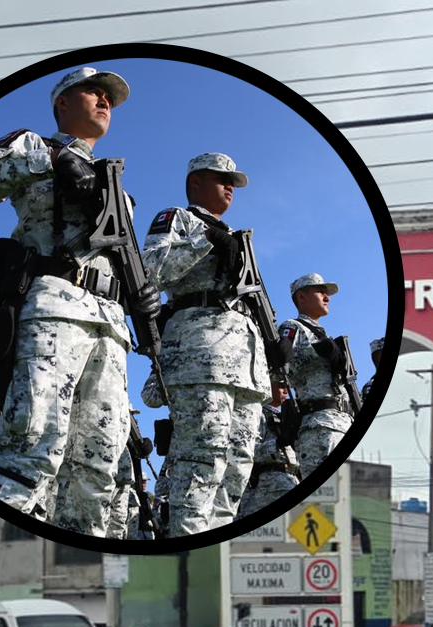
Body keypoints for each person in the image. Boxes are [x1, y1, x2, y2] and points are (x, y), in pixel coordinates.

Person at [0, 67, 149, 535]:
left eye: (110, 96)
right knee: (32, 446)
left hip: (110, 325)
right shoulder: (35, 146)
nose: (105, 101)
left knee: (99, 464)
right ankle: (3, 546)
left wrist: (144, 298)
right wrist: (51, 159)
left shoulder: (117, 187)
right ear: (62, 103)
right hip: (54, 309)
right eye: (94, 91)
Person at [142, 152, 276, 535]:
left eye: (233, 181)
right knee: (203, 458)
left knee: (236, 468)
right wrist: (204, 239)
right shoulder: (178, 219)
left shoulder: (236, 238)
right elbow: (151, 270)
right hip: (200, 353)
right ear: (196, 181)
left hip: (246, 365)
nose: (230, 186)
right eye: (221, 178)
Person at [279, 273, 358, 476]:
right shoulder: (293, 326)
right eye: (320, 291)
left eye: (326, 293)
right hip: (319, 424)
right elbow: (282, 363)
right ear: (301, 297)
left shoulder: (323, 335)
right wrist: (316, 351)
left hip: (343, 422)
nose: (327, 297)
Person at [236, 406, 301, 520]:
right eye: (281, 387)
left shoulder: (289, 416)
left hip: (292, 480)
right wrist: (278, 443)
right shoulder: (259, 414)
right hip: (265, 489)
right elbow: (246, 451)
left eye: (286, 387)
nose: (285, 390)